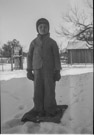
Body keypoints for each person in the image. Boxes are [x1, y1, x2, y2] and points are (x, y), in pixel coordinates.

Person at [22, 18, 61, 121]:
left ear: (48, 28)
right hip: (37, 70)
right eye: (41, 27)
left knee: (49, 89)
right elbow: (29, 56)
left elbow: (56, 57)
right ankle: (38, 108)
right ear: (37, 29)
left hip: (49, 71)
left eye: (45, 27)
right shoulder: (33, 43)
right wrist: (29, 70)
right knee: (37, 90)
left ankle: (50, 109)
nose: (43, 29)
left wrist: (57, 70)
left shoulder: (52, 42)